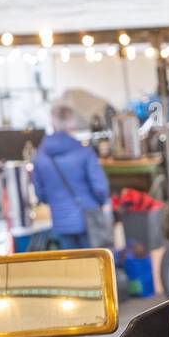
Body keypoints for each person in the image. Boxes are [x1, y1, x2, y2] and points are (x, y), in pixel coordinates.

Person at [30, 102, 111, 249]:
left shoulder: (40, 157)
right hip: (88, 220)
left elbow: (40, 194)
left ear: (52, 123)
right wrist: (101, 202)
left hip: (60, 223)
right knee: (94, 265)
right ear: (72, 123)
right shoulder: (84, 152)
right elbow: (100, 187)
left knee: (73, 267)